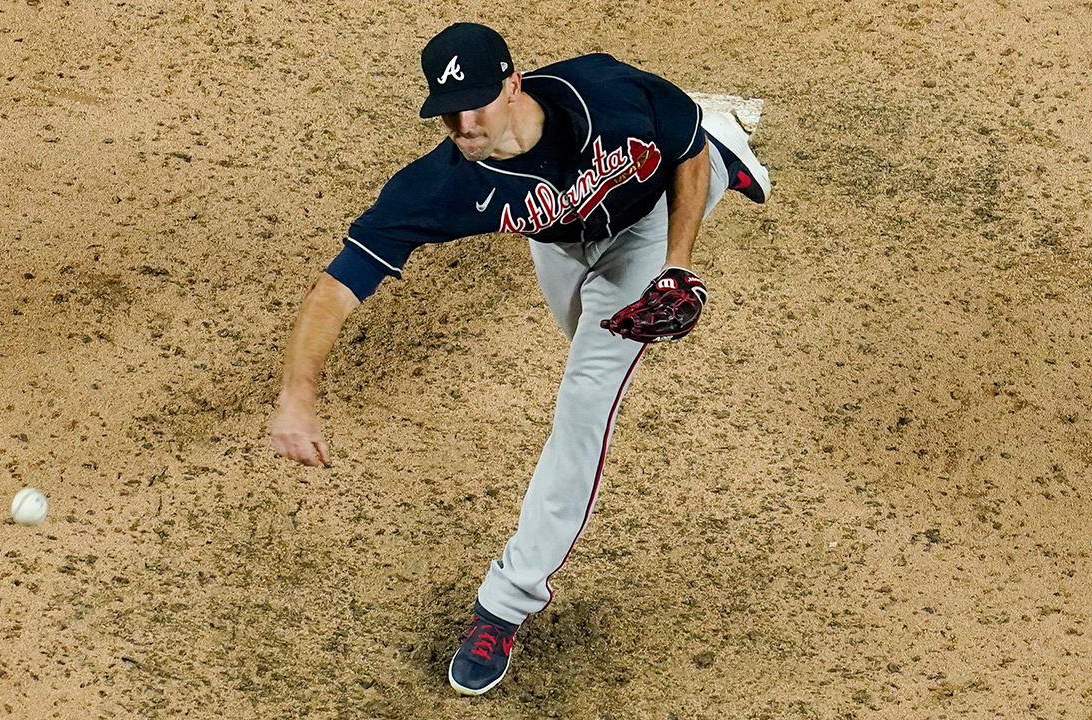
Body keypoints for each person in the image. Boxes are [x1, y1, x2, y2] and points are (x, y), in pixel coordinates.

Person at [268, 22, 770, 696]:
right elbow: (337, 284)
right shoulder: (445, 183)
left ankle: (504, 604)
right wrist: (297, 393)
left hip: (648, 223)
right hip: (563, 243)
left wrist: (676, 268)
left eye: (478, 100)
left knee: (585, 399)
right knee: (580, 340)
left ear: (513, 83)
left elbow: (682, 151)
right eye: (448, 109)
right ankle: (715, 144)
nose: (464, 122)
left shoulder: (603, 95)